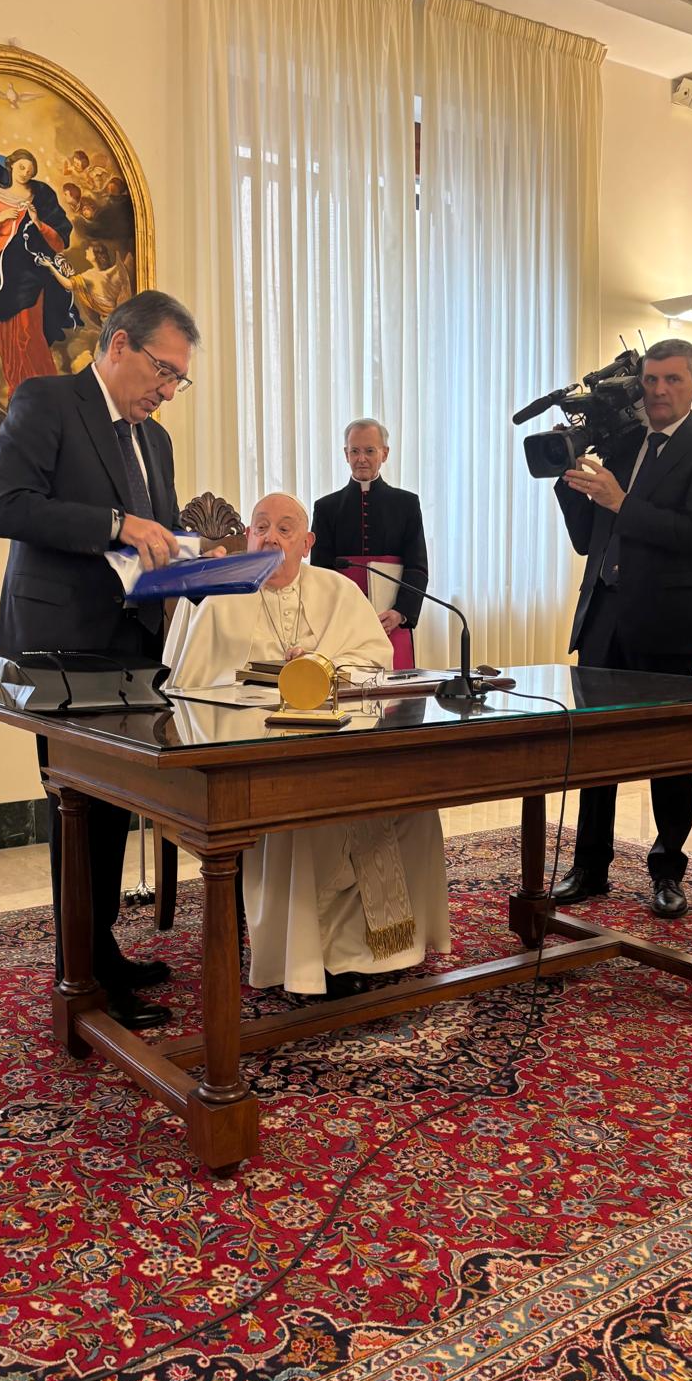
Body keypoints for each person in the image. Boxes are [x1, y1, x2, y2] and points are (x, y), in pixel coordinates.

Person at [0, 290, 200, 1029]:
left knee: (115, 810)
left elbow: (156, 540)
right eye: (163, 372)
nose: (167, 391)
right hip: (59, 648)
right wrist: (114, 522)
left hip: (135, 648)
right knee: (78, 808)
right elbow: (5, 507)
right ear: (117, 346)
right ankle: (81, 971)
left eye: (179, 381)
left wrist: (200, 564)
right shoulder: (46, 402)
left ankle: (99, 948)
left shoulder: (158, 443)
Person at [163, 493, 451, 999]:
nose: (271, 537)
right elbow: (186, 692)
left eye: (285, 528)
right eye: (261, 527)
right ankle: (315, 962)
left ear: (307, 543)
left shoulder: (338, 591)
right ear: (248, 539)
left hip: (342, 743)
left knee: (411, 805)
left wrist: (323, 665)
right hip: (257, 759)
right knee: (307, 822)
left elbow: (374, 663)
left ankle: (388, 947)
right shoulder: (220, 601)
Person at [550, 338, 692, 919]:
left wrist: (620, 500)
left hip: (667, 622)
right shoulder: (623, 440)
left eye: (672, 381)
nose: (659, 391)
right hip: (603, 614)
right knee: (594, 752)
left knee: (669, 752)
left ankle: (667, 870)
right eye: (652, 381)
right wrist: (569, 486)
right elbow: (590, 538)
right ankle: (589, 867)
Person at [0, 149, 80, 397]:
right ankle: (17, 387)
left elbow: (57, 241)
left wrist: (38, 222)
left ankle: (42, 385)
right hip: (3, 266)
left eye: (30, 170)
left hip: (31, 268)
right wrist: (1, 216)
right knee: (6, 328)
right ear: (11, 167)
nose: (26, 173)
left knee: (29, 325)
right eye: (22, 167)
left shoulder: (40, 198)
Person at [310, 419, 428, 669]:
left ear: (385, 453)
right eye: (354, 451)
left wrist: (400, 612)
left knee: (396, 699)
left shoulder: (406, 504)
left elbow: (417, 566)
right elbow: (319, 571)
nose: (361, 458)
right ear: (345, 454)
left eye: (369, 451)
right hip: (342, 622)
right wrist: (336, 616)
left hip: (391, 620)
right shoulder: (326, 508)